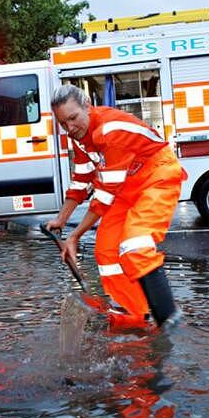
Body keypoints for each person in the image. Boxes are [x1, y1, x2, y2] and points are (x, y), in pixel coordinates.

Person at [46, 84, 185, 329]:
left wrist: (75, 236)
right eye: (63, 123)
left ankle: (169, 317)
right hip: (126, 185)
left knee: (135, 243)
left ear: (87, 106)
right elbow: (81, 181)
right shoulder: (79, 138)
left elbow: (103, 197)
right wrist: (61, 220)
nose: (69, 127)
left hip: (157, 177)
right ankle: (132, 319)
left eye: (73, 118)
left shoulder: (110, 130)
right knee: (106, 251)